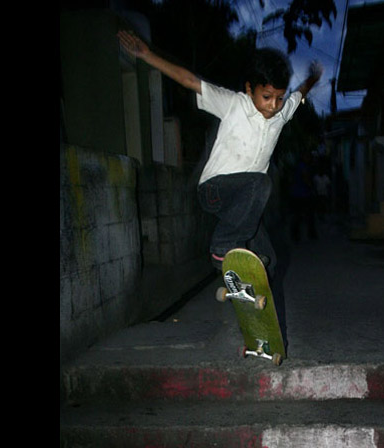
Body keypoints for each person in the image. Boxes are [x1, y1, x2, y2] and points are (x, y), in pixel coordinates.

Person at [117, 30, 322, 273]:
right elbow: (190, 81)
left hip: (241, 202)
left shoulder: (281, 113)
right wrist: (147, 55)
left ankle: (245, 289)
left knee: (268, 261)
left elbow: (299, 95)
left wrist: (313, 79)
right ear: (249, 89)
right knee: (261, 183)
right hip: (214, 190)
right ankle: (222, 247)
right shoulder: (233, 103)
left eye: (278, 99)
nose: (272, 106)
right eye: (266, 97)